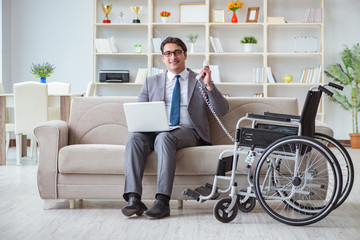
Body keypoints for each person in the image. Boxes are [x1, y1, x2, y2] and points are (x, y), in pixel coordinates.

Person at [121, 36, 229, 219]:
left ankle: (162, 202)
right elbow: (140, 111)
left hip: (187, 132)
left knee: (165, 137)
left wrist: (209, 84)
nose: (173, 57)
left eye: (177, 52)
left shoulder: (199, 80)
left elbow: (222, 110)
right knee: (134, 139)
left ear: (185, 55)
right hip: (154, 130)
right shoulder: (151, 81)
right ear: (163, 58)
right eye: (168, 53)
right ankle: (134, 199)